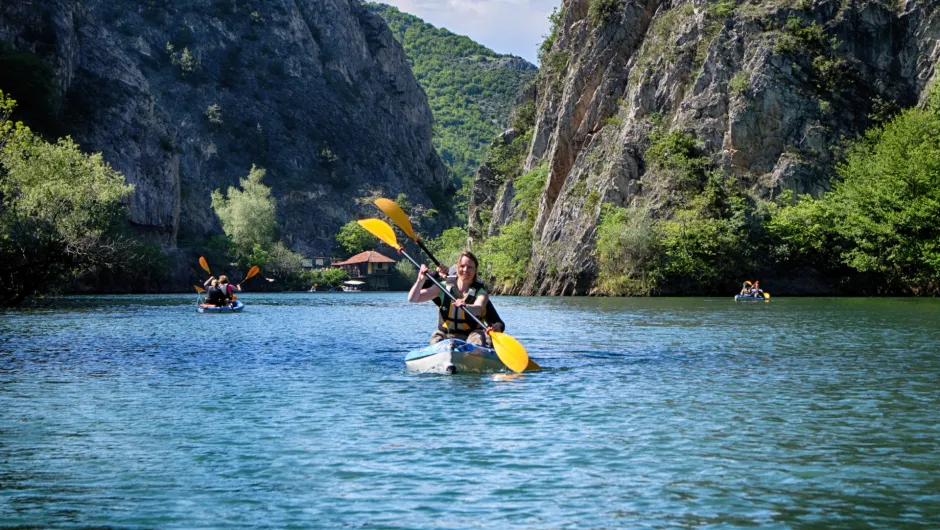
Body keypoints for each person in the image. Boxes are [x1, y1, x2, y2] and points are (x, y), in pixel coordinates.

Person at [409, 251, 491, 346]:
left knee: (478, 337)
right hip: (446, 334)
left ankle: (472, 355)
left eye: (470, 267)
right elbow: (413, 298)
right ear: (457, 268)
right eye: (462, 266)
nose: (465, 270)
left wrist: (466, 306)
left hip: (471, 335)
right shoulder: (443, 288)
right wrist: (420, 280)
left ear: (475, 270)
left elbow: (478, 308)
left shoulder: (481, 292)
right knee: (436, 337)